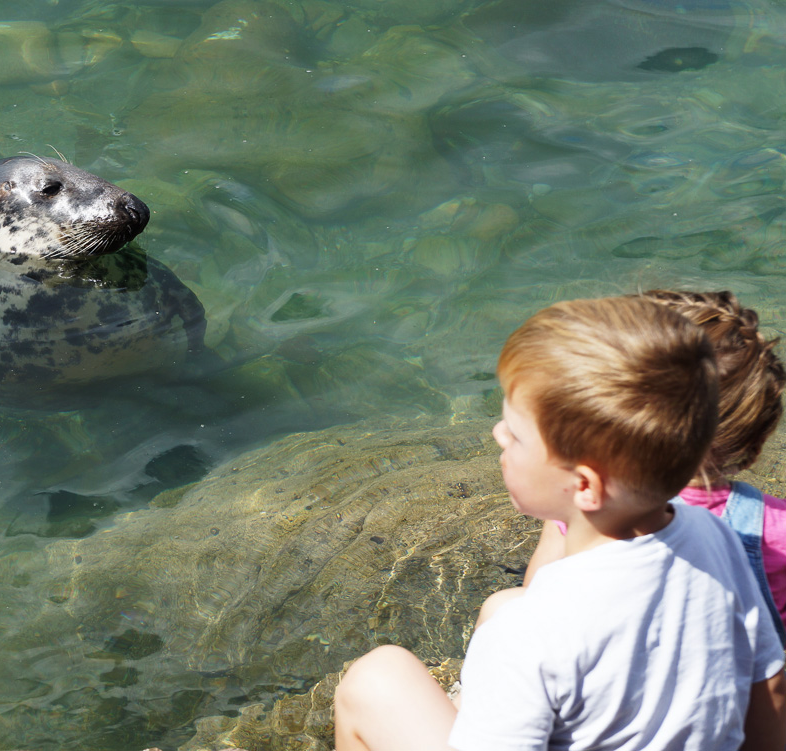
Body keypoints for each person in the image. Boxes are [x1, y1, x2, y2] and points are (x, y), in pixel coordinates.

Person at [334, 296, 786, 751]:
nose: (497, 434)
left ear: (585, 486)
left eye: (516, 433)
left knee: (375, 678)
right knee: (502, 604)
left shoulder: (528, 637)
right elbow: (767, 686)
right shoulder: (716, 538)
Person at [510, 290, 786, 641]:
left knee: (504, 605)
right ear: (753, 445)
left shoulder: (581, 500)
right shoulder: (775, 532)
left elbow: (536, 613)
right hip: (723, 692)